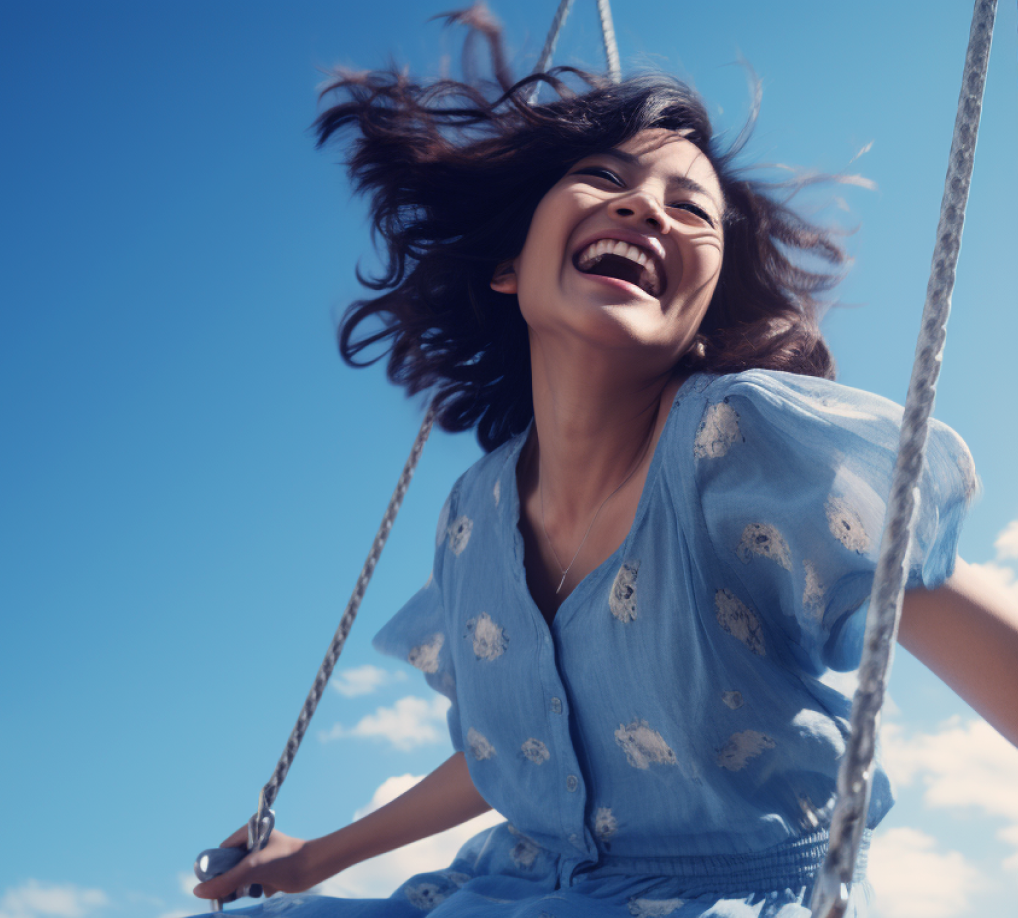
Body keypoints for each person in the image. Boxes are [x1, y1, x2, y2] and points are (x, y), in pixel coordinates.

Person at [191, 10, 1018, 917]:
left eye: (690, 208)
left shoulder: (745, 445)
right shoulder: (473, 516)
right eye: (604, 176)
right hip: (507, 887)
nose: (647, 207)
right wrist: (314, 859)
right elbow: (512, 749)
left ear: (702, 312)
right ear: (509, 264)